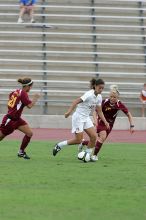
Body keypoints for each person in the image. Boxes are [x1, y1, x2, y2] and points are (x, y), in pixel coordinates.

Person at [52, 78, 110, 159]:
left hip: (86, 118)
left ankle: (87, 155)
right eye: (99, 87)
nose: (101, 90)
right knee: (78, 140)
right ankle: (59, 145)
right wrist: (69, 112)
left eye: (102, 88)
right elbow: (75, 101)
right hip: (78, 117)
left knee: (93, 137)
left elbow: (99, 111)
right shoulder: (89, 94)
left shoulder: (99, 97)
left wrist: (105, 121)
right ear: (95, 86)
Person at [79, 85, 135, 161]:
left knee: (98, 141)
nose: (112, 98)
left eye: (114, 97)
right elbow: (95, 112)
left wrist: (132, 126)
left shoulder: (119, 104)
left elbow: (129, 114)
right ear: (109, 96)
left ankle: (83, 142)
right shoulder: (104, 102)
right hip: (101, 122)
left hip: (110, 125)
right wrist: (95, 122)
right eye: (111, 96)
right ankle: (94, 156)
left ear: (117, 97)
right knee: (102, 137)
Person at [0, 77, 40, 159]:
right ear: (28, 86)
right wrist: (35, 98)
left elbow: (10, 97)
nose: (31, 88)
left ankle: (21, 152)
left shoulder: (16, 91)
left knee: (29, 133)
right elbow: (30, 106)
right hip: (10, 120)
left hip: (17, 119)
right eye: (31, 86)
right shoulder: (23, 93)